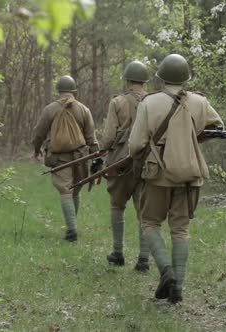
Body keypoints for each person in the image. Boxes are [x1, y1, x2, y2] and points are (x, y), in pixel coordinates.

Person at [129, 54, 223, 304]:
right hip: (189, 173)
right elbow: (217, 126)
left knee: (149, 222)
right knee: (180, 229)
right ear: (186, 79)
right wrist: (191, 140)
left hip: (157, 172)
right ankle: (177, 289)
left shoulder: (149, 103)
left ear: (159, 78)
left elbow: (135, 144)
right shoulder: (200, 102)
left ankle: (166, 271)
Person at [32, 75, 99, 242]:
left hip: (59, 157)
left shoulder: (50, 109)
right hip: (80, 156)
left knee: (65, 191)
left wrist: (36, 149)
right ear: (74, 91)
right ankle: (73, 227)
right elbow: (91, 137)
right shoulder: (84, 109)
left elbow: (39, 133)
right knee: (75, 190)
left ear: (59, 91)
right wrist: (96, 156)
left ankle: (71, 231)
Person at [101, 60, 151, 271]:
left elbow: (109, 137)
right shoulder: (154, 101)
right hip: (146, 161)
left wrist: (104, 151)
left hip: (121, 162)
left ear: (128, 80)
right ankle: (143, 259)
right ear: (144, 81)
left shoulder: (117, 102)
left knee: (117, 206)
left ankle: (118, 252)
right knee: (144, 212)